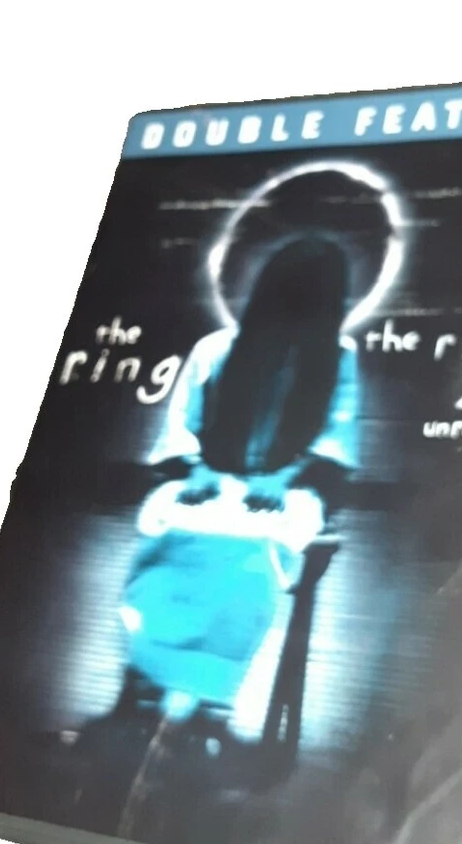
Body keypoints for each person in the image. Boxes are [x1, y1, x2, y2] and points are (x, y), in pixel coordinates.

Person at [118, 236, 360, 723]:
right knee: (168, 561)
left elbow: (337, 437)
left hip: (279, 500)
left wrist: (284, 479)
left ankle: (203, 704)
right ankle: (149, 684)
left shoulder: (339, 355)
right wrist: (198, 469)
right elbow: (182, 421)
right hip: (205, 489)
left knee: (247, 580)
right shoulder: (216, 347)